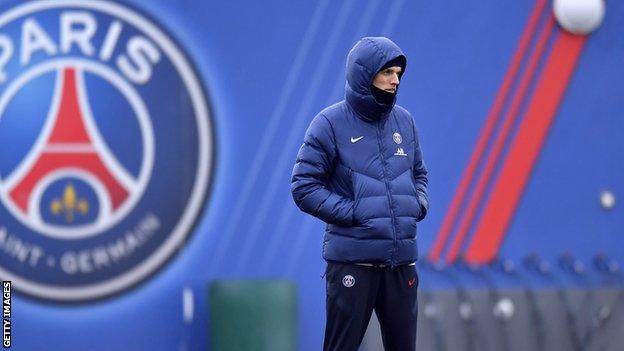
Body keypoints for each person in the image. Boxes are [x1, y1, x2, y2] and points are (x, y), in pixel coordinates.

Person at [291, 36, 429, 351]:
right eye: (387, 73)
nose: (395, 80)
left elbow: (419, 172)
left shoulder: (404, 121)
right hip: (353, 265)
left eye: (398, 73)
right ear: (365, 75)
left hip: (401, 263)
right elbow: (304, 186)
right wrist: (355, 213)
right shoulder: (329, 123)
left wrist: (417, 204)